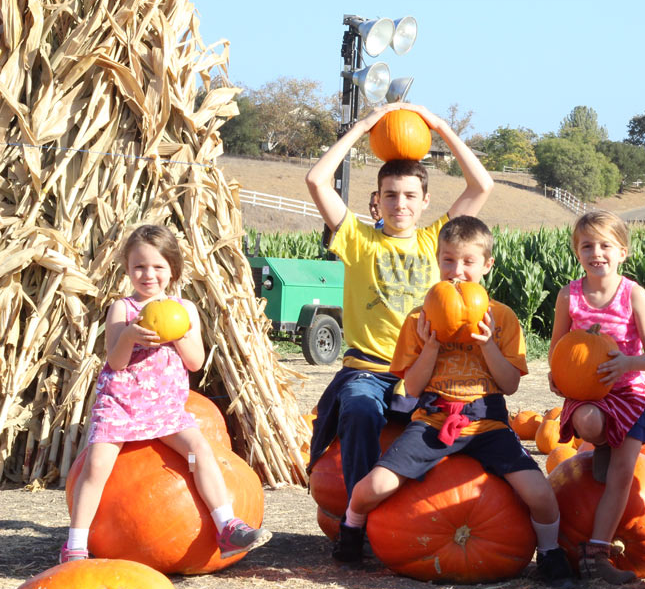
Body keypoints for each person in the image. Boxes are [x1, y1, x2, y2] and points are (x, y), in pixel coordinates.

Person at [332, 217, 576, 588]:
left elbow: (509, 385)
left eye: (467, 262)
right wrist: (431, 344)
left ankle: (549, 553)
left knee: (539, 493)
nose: (457, 272)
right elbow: (411, 387)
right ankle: (351, 528)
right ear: (437, 259)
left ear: (487, 265)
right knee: (374, 487)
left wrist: (487, 344)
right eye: (448, 261)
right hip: (433, 419)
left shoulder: (503, 318)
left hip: (488, 422)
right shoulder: (419, 318)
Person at [304, 102, 492, 513]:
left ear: (425, 201)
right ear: (377, 199)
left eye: (410, 196)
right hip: (368, 368)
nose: (400, 204)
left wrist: (441, 127)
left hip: (425, 368)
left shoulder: (435, 240)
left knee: (463, 421)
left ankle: (435, 511)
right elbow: (317, 180)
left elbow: (482, 186)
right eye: (390, 195)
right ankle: (358, 516)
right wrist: (365, 126)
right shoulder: (357, 238)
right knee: (357, 409)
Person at [62, 225, 271, 562]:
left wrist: (178, 334)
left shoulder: (184, 310)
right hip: (121, 405)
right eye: (139, 266)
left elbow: (195, 362)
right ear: (128, 269)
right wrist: (129, 336)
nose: (148, 274)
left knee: (198, 451)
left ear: (172, 269)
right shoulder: (123, 309)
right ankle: (75, 544)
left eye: (158, 267)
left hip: (165, 408)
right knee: (97, 465)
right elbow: (115, 362)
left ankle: (227, 526)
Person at [548, 210, 645, 584]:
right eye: (587, 246)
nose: (596, 252)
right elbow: (557, 349)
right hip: (588, 395)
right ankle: (601, 442)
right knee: (588, 422)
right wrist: (557, 376)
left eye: (605, 245)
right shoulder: (570, 295)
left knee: (621, 476)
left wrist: (626, 362)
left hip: (629, 394)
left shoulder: (634, 294)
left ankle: (596, 555)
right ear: (576, 252)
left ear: (622, 252)